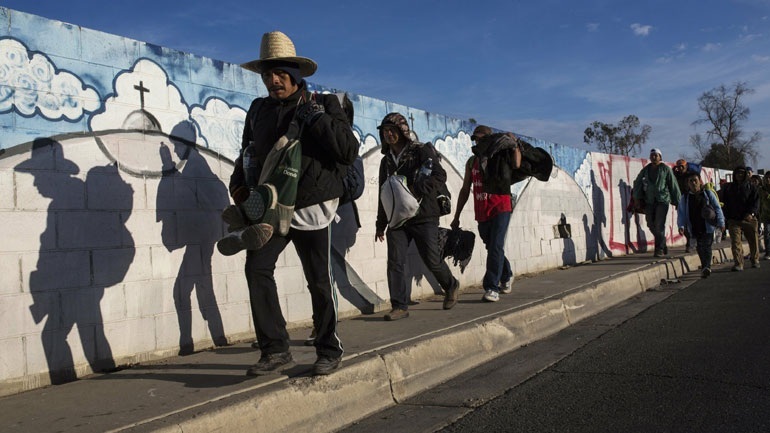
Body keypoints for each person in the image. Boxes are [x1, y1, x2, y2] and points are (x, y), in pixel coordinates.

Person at [231, 31, 358, 376]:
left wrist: (315, 117)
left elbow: (347, 150)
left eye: (280, 73)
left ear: (296, 74)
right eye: (267, 74)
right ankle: (275, 350)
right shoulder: (258, 110)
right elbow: (247, 152)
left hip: (312, 204)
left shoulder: (324, 104)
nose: (273, 81)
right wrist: (239, 184)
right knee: (256, 269)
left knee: (318, 278)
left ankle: (328, 348)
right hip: (272, 204)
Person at [375, 112, 459, 320]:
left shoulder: (421, 151)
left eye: (392, 130)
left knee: (432, 260)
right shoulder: (386, 162)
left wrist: (418, 188)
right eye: (385, 131)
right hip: (397, 219)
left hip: (424, 215)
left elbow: (440, 175)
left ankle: (450, 284)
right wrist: (380, 223)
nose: (388, 135)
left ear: (402, 131)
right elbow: (383, 193)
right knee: (395, 262)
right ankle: (400, 306)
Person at [450, 125, 521, 302]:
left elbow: (517, 164)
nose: (478, 142)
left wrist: (515, 145)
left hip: (501, 207)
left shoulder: (499, 157)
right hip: (482, 211)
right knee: (492, 247)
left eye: (482, 139)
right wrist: (457, 215)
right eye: (475, 139)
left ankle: (491, 287)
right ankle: (506, 275)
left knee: (496, 245)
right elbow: (466, 189)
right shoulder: (471, 162)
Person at [632, 148, 681, 257]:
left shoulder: (665, 169)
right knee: (650, 224)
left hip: (662, 200)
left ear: (660, 157)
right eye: (652, 155)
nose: (654, 157)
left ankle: (658, 249)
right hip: (649, 200)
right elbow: (638, 182)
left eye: (656, 155)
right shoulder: (646, 170)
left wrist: (677, 201)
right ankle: (663, 242)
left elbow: (673, 184)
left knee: (659, 225)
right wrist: (637, 198)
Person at [676, 172, 725, 278]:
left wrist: (721, 222)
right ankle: (705, 266)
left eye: (695, 180)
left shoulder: (707, 194)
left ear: (700, 181)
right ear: (688, 184)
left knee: (706, 246)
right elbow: (681, 213)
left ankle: (706, 266)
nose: (693, 183)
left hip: (708, 226)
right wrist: (681, 226)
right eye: (691, 181)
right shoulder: (685, 198)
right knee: (699, 247)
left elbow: (717, 208)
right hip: (694, 227)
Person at [721, 166, 760, 271]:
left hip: (749, 218)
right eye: (737, 173)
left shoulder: (752, 187)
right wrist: (727, 216)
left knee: (753, 241)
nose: (740, 175)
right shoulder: (728, 188)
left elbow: (755, 202)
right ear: (734, 175)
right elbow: (723, 202)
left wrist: (751, 213)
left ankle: (755, 259)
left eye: (742, 173)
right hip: (734, 219)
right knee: (735, 242)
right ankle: (738, 263)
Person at [673, 159, 693, 252]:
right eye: (679, 167)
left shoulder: (691, 175)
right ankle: (689, 242)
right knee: (683, 223)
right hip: (681, 202)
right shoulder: (676, 176)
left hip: (692, 201)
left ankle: (692, 241)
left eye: (682, 166)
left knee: (692, 222)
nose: (680, 168)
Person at [757, 172, 770, 259]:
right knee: (767, 233)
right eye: (766, 178)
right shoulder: (761, 190)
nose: (768, 180)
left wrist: (768, 196)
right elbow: (759, 202)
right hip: (766, 216)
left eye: (769, 178)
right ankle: (768, 252)